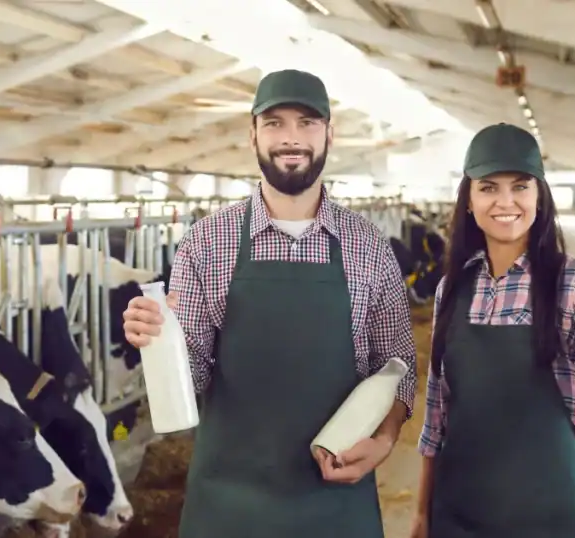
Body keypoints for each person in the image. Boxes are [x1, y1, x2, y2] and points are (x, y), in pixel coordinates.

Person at [122, 68, 418, 538]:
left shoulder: (369, 245)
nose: (291, 138)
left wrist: (384, 439)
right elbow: (193, 376)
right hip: (228, 505)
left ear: (328, 134)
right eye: (275, 123)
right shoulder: (206, 242)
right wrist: (158, 340)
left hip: (336, 502)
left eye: (307, 123)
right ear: (254, 133)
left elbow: (396, 363)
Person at [410, 123, 575, 538]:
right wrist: (421, 512)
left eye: (520, 186)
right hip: (457, 510)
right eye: (488, 188)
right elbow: (437, 412)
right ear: (468, 200)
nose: (505, 201)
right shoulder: (451, 288)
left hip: (546, 513)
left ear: (539, 196)